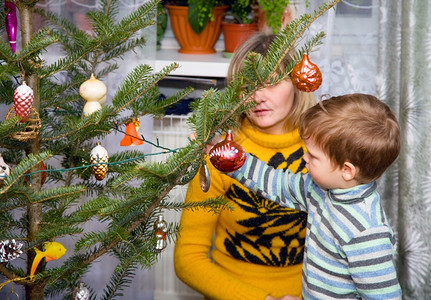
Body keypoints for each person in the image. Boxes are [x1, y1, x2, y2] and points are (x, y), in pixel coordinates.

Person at [174, 32, 316, 300]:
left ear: (297, 83)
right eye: (247, 85)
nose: (257, 96)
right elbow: (188, 258)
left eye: (271, 82)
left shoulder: (322, 152)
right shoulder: (221, 155)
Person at [224, 93, 402, 299]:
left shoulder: (366, 233)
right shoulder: (320, 188)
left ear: (347, 170)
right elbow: (277, 184)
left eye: (313, 155)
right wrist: (235, 160)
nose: (304, 157)